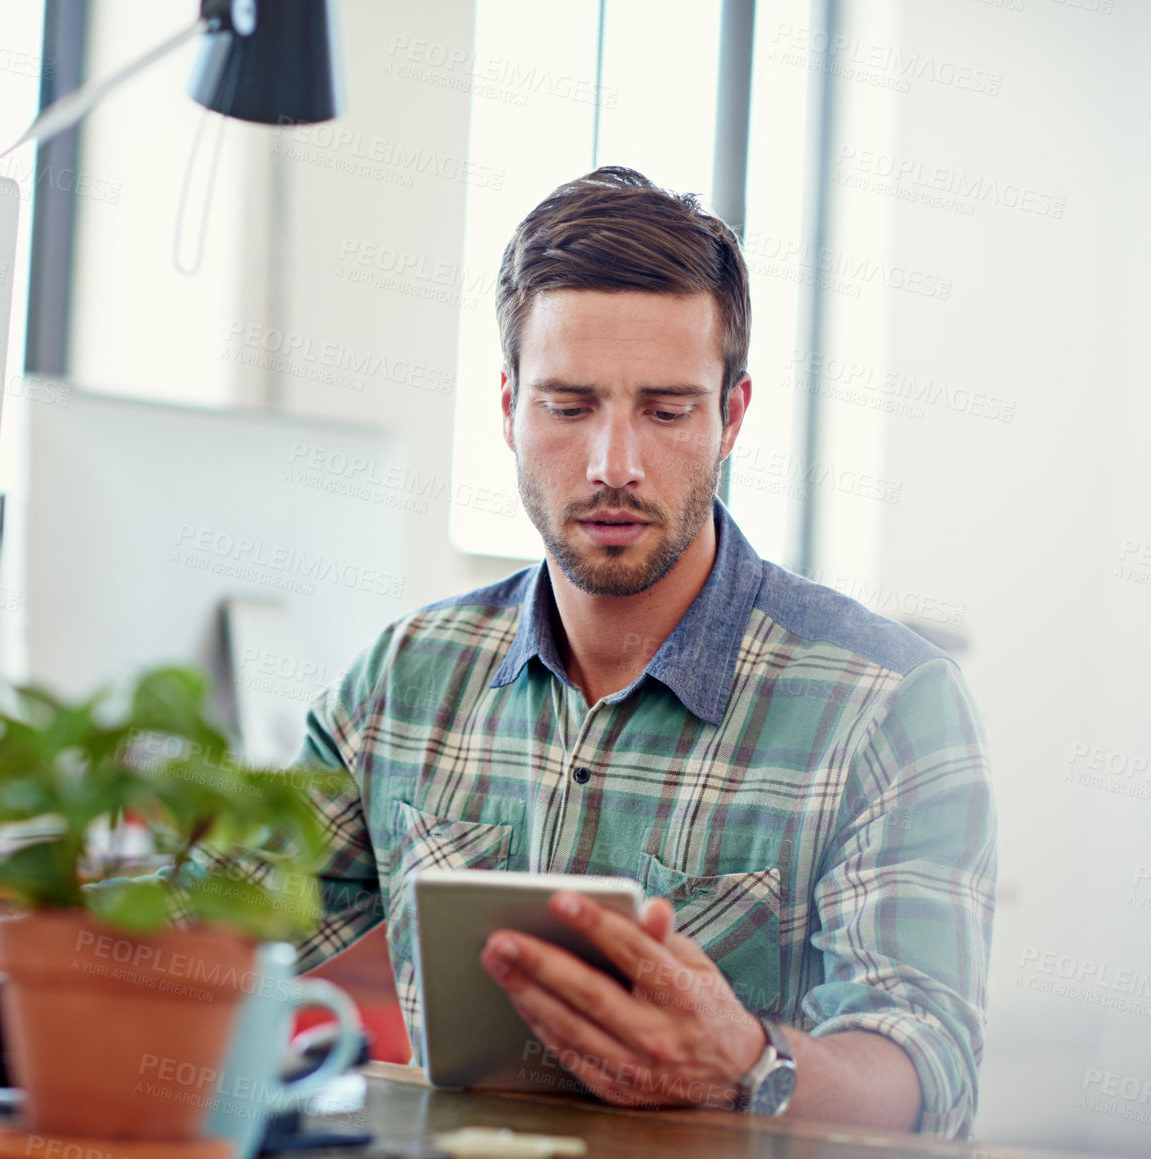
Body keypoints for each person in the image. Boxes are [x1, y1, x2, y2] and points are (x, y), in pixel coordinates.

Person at [293, 167, 996, 1138]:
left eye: (666, 411)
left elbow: (929, 1068)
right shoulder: (401, 682)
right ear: (508, 408)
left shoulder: (892, 703)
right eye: (569, 406)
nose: (613, 464)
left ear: (731, 417)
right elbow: (216, 937)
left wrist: (751, 1064)